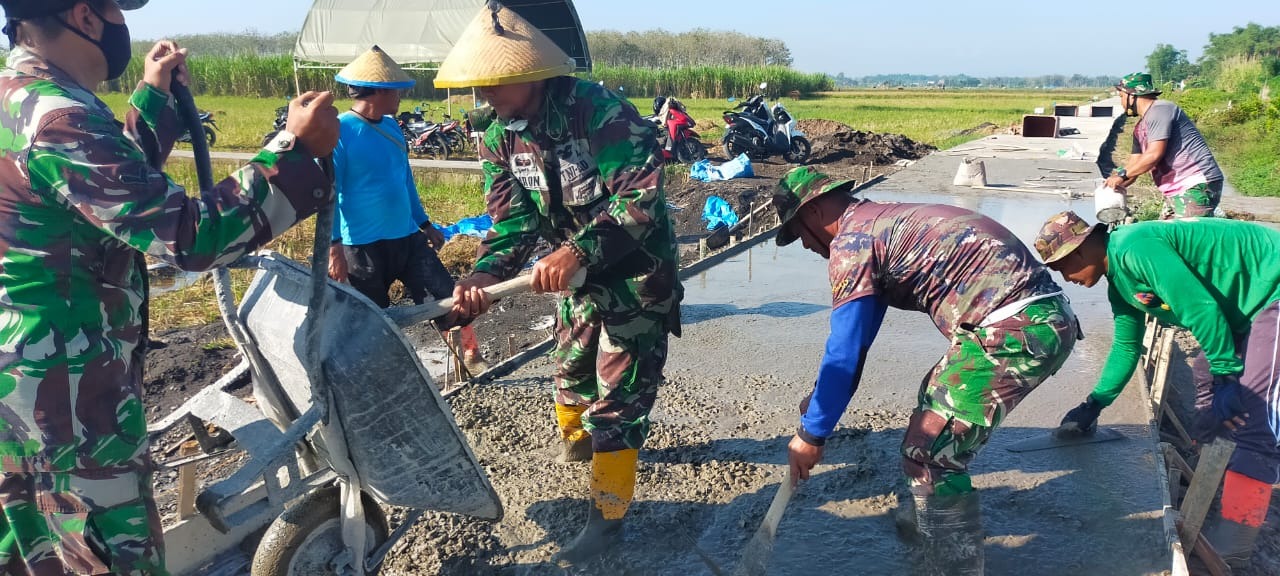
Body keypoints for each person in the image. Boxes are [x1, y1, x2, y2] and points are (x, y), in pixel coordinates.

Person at [0, 1, 340, 573]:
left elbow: (107, 187)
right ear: (85, 17)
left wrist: (154, 98)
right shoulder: (59, 117)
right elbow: (187, 237)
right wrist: (295, 152)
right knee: (107, 555)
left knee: (34, 550)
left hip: (23, 388)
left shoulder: (21, 97)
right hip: (68, 405)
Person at [434, 4, 681, 566]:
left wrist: (577, 250)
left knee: (617, 403)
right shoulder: (498, 136)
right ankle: (585, 453)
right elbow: (513, 222)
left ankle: (608, 518)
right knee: (570, 375)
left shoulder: (597, 112)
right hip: (574, 279)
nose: (484, 97)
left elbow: (641, 199)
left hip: (632, 275)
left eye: (492, 85)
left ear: (528, 73)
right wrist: (481, 277)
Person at [774, 167, 1078, 574]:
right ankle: (921, 520)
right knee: (932, 399)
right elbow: (857, 338)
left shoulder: (853, 244)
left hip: (1015, 327)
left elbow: (845, 350)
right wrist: (820, 404)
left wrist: (811, 435)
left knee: (930, 450)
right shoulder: (880, 222)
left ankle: (955, 566)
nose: (807, 247)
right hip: (1035, 319)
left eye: (798, 234)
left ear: (811, 212)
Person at [1036, 211, 1280, 569]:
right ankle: (1215, 468)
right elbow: (1125, 347)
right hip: (1246, 303)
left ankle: (1236, 538)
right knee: (1204, 376)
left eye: (1062, 267)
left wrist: (1227, 372)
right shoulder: (1120, 282)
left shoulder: (1135, 248)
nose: (1065, 278)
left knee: (1255, 414)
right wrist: (1095, 403)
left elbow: (1199, 306)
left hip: (1273, 288)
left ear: (1083, 249)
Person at [326, 46, 487, 375]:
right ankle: (386, 375)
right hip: (362, 246)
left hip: (407, 238)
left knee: (446, 296)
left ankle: (470, 353)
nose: (400, 96)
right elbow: (330, 193)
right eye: (395, 91)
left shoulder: (392, 127)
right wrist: (334, 248)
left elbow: (405, 182)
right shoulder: (339, 132)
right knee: (372, 319)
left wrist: (425, 223)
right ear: (378, 91)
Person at [1106, 72, 1225, 220]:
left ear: (1132, 95)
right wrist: (1115, 184)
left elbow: (1154, 155)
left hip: (1196, 183)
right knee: (1165, 237)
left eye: (1121, 97)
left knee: (1186, 238)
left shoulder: (1161, 110)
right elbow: (1134, 167)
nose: (1121, 102)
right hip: (1175, 191)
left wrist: (1122, 175)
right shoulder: (1139, 129)